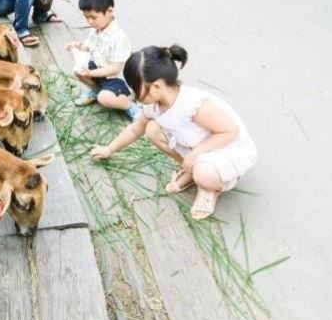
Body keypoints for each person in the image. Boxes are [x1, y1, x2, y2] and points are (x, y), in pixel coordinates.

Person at [90, 45, 257, 219]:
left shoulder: (191, 104)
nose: (133, 94)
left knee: (204, 175)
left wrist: (196, 154)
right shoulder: (153, 105)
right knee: (151, 129)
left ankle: (211, 187)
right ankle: (193, 170)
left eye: (135, 88)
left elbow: (230, 131)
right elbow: (135, 129)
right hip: (194, 144)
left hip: (223, 148)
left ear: (155, 86)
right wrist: (109, 149)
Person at [65, 0, 140, 120]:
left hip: (117, 79)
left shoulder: (118, 37)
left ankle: (130, 105)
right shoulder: (96, 28)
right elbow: (89, 46)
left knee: (104, 99)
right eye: (86, 17)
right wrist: (77, 45)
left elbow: (115, 68)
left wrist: (91, 73)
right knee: (77, 70)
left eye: (93, 17)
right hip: (99, 68)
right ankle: (96, 90)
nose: (90, 21)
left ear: (110, 11)